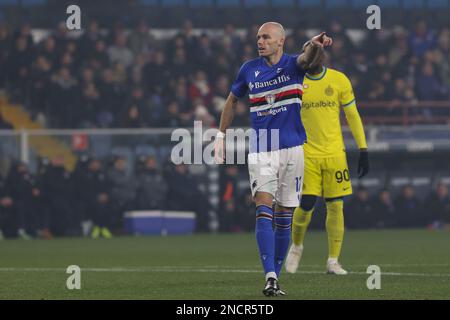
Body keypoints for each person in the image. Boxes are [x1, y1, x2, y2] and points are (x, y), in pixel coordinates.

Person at [214, 21, 332, 296]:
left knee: (284, 217)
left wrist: (315, 44)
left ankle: (274, 280)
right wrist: (220, 135)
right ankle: (269, 275)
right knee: (263, 208)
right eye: (258, 37)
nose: (260, 41)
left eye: (266, 37)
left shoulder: (294, 65)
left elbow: (310, 57)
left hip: (293, 148)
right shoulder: (248, 69)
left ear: (281, 41)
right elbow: (232, 100)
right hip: (262, 148)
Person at [285, 43, 369, 275]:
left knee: (336, 205)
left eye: (317, 57)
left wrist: (363, 149)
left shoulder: (339, 80)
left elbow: (352, 114)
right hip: (307, 152)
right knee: (307, 203)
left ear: (322, 59)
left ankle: (333, 261)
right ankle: (297, 246)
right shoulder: (295, 82)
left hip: (334, 153)